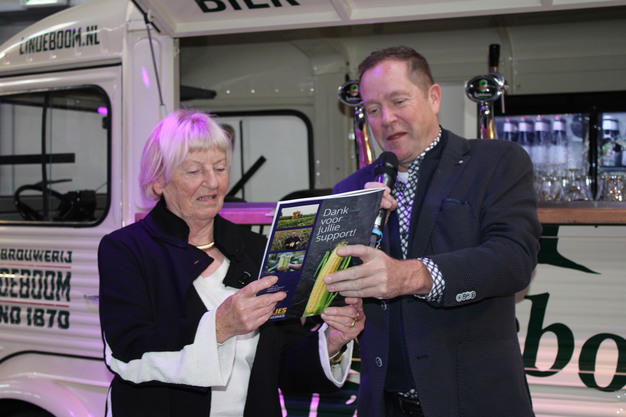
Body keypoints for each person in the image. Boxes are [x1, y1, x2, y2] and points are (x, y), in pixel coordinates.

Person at [98, 110, 364, 417]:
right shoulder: (126, 249)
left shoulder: (256, 248)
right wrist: (220, 326)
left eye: (220, 168)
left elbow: (281, 361)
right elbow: (127, 353)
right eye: (194, 171)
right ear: (158, 180)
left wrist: (331, 342)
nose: (212, 182)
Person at [326, 46, 542, 416]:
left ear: (434, 97)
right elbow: (333, 292)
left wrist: (412, 276)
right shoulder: (351, 190)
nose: (386, 119)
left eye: (399, 101)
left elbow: (515, 260)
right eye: (373, 110)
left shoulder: (496, 162)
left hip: (475, 403)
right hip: (383, 404)